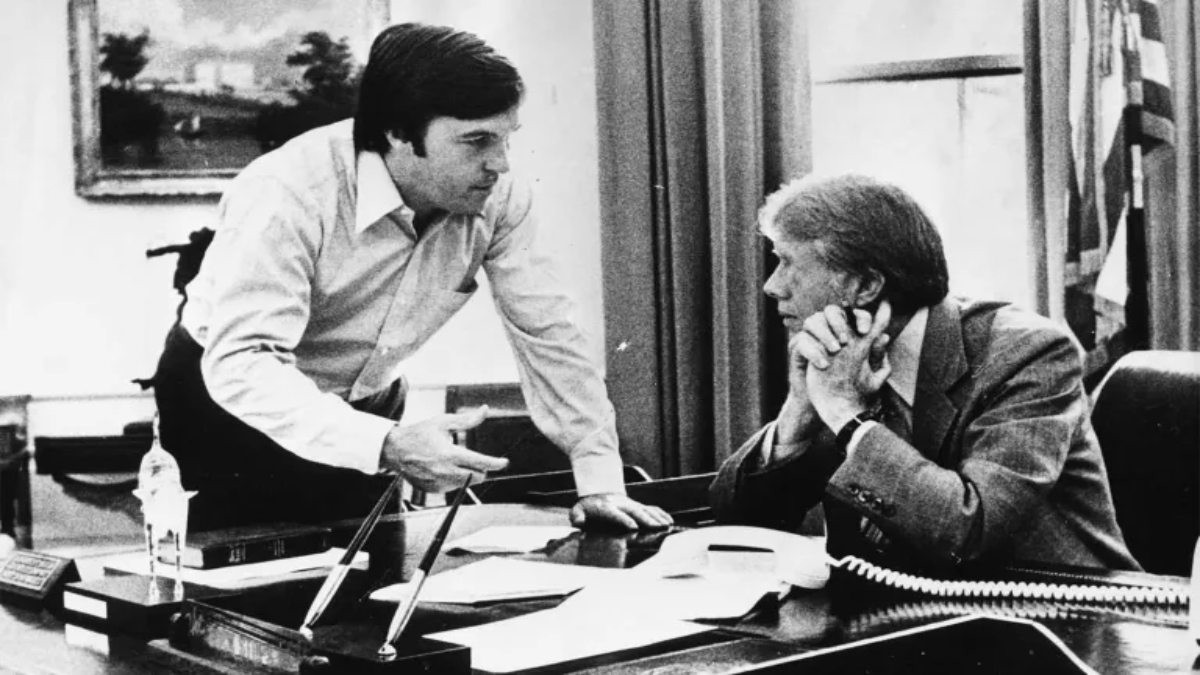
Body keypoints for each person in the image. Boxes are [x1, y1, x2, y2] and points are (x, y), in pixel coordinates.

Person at [153, 22, 672, 532]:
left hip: (366, 402)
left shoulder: (500, 196)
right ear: (397, 134)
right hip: (225, 405)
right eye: (476, 141)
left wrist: (598, 477)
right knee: (233, 591)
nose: (501, 164)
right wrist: (384, 445)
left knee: (367, 584)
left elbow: (549, 332)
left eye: (506, 138)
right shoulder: (287, 191)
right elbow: (244, 362)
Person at [710, 174, 1139, 575]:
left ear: (865, 287)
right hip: (906, 621)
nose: (772, 286)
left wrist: (845, 415)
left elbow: (971, 529)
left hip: (1069, 620)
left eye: (787, 264)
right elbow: (735, 520)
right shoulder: (841, 356)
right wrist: (798, 416)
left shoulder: (1027, 352)